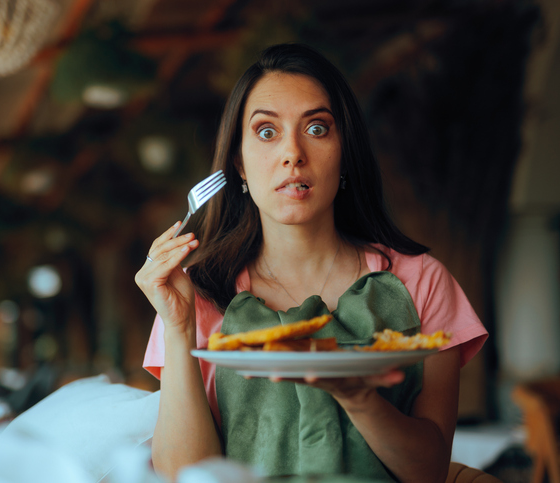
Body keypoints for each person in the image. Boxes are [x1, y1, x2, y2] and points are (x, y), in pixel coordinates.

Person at [135, 43, 488, 482]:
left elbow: (429, 472)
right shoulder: (197, 293)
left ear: (345, 153)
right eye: (267, 132)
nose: (293, 153)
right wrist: (178, 327)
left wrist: (359, 398)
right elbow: (182, 475)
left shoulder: (422, 282)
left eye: (317, 128)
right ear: (239, 165)